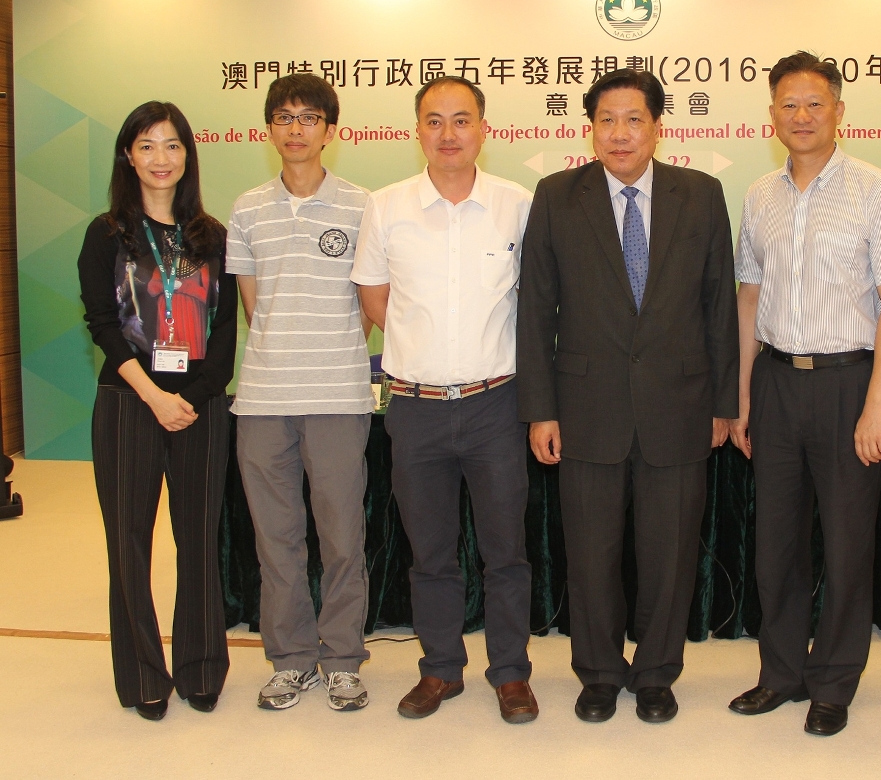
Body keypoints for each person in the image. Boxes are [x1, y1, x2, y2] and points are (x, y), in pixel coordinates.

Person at [517, 68, 738, 724]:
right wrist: (540, 407)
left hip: (680, 405)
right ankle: (599, 672)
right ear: (590, 128)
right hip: (585, 408)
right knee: (590, 552)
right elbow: (535, 307)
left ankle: (656, 673)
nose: (620, 132)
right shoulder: (558, 195)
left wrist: (725, 404)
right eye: (607, 119)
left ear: (657, 126)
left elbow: (719, 304)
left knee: (669, 553)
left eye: (634, 118)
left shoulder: (700, 194)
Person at [727, 51, 881, 736]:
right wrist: (745, 396)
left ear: (839, 111)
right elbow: (750, 297)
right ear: (770, 116)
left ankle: (834, 678)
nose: (801, 116)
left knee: (845, 544)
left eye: (815, 104)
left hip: (847, 385)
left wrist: (876, 403)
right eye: (788, 105)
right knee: (775, 541)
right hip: (776, 380)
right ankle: (780, 671)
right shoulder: (758, 195)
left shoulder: (876, 188)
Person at [351, 76, 539, 724]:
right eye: (435, 121)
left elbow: (536, 306)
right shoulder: (386, 206)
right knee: (429, 551)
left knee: (505, 550)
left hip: (495, 405)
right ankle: (439, 669)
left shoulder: (517, 204)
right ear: (418, 130)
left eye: (462, 120)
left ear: (484, 129)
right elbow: (377, 300)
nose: (449, 133)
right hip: (416, 406)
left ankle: (511, 673)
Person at [77, 101, 238, 720]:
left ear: (188, 156)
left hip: (200, 408)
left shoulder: (212, 236)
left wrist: (189, 402)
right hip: (127, 405)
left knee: (199, 538)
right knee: (129, 543)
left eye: (172, 146)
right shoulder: (106, 233)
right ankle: (142, 672)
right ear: (127, 155)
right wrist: (153, 396)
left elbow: (224, 340)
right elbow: (102, 325)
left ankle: (200, 667)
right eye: (146, 146)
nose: (160, 159)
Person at [226, 74, 374, 712]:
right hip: (261, 398)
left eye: (308, 118)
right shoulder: (247, 208)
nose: (295, 129)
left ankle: (342, 658)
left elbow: (367, 305)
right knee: (276, 537)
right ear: (269, 130)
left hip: (340, 395)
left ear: (330, 131)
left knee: (342, 534)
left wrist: (329, 349)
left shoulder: (364, 206)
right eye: (283, 117)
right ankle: (291, 659)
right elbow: (254, 305)